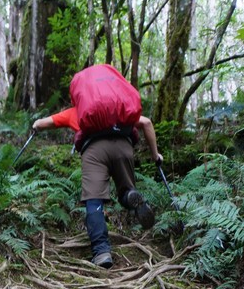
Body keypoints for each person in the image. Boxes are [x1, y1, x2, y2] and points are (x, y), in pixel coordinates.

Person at [32, 106, 163, 269]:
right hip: (123, 145)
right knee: (126, 191)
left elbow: (48, 122)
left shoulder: (80, 110)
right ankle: (130, 197)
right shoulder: (118, 109)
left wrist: (36, 124)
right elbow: (147, 123)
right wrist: (155, 155)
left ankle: (102, 252)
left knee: (94, 200)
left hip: (94, 150)